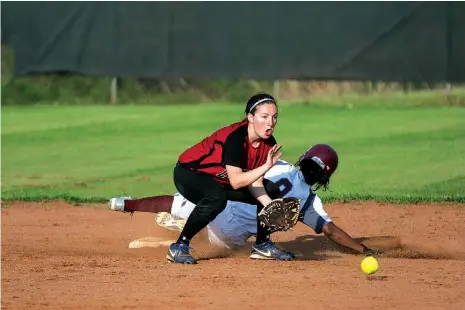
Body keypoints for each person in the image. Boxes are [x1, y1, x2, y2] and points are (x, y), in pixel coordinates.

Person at [110, 144, 382, 260]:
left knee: (178, 201)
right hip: (231, 236)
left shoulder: (279, 165)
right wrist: (363, 249)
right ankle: (171, 239)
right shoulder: (309, 202)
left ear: (305, 157)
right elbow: (330, 231)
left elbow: (237, 171)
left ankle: (126, 204)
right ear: (325, 176)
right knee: (220, 238)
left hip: (220, 204)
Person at [111, 93, 295, 264]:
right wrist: (266, 167)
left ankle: (262, 245)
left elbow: (255, 182)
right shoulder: (236, 139)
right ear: (250, 117)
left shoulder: (267, 142)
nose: (270, 123)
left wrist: (271, 206)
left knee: (272, 189)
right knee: (216, 198)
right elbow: (237, 182)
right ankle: (179, 246)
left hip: (220, 180)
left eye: (274, 117)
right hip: (190, 173)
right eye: (264, 116)